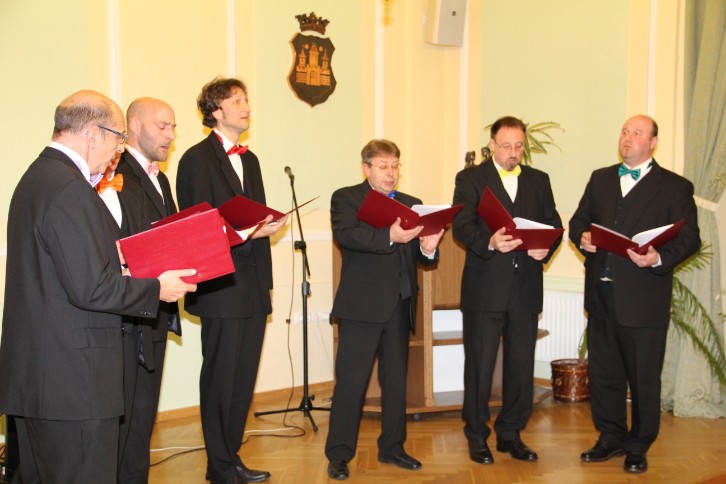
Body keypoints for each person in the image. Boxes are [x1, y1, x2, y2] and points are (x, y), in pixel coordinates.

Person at [0, 90, 196, 484]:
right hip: (74, 382)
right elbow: (90, 289)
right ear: (93, 133)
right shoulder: (69, 188)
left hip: (42, 377)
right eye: (119, 137)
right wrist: (156, 289)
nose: (119, 149)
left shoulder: (38, 176)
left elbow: (57, 270)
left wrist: (115, 258)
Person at [569, 114, 700, 474]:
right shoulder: (600, 178)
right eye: (625, 132)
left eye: (637, 133)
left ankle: (639, 445)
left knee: (643, 379)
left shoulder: (674, 187)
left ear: (653, 142)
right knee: (605, 374)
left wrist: (659, 257)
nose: (627, 138)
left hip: (643, 300)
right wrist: (582, 238)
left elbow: (690, 238)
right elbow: (579, 222)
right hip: (601, 296)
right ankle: (609, 436)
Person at [176, 77, 287, 484]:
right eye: (236, 100)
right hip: (220, 286)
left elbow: (257, 220)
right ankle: (219, 465)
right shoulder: (195, 159)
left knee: (242, 379)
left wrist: (267, 278)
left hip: (252, 286)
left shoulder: (250, 160)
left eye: (246, 99)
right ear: (215, 110)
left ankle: (231, 457)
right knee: (221, 378)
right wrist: (247, 232)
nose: (246, 106)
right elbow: (195, 228)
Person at [325, 139, 444, 481]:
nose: (391, 173)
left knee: (395, 383)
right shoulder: (346, 198)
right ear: (366, 168)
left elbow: (420, 257)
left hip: (400, 304)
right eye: (383, 166)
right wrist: (390, 236)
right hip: (361, 307)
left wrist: (429, 248)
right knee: (351, 384)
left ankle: (393, 447)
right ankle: (339, 455)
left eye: (395, 166)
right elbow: (347, 236)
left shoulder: (411, 203)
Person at [452, 116, 562, 465]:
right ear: (492, 145)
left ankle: (511, 433)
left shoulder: (539, 180)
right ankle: (476, 435)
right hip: (485, 287)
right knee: (480, 366)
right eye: (506, 146)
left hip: (526, 287)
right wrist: (490, 241)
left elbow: (554, 224)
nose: (513, 152)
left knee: (521, 365)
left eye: (518, 146)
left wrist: (546, 248)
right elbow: (461, 226)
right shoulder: (470, 178)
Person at [113, 97, 180, 483]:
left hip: (157, 307)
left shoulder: (161, 178)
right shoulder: (117, 173)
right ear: (135, 126)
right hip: (133, 312)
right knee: (129, 417)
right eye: (162, 126)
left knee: (144, 416)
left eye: (173, 127)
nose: (170, 135)